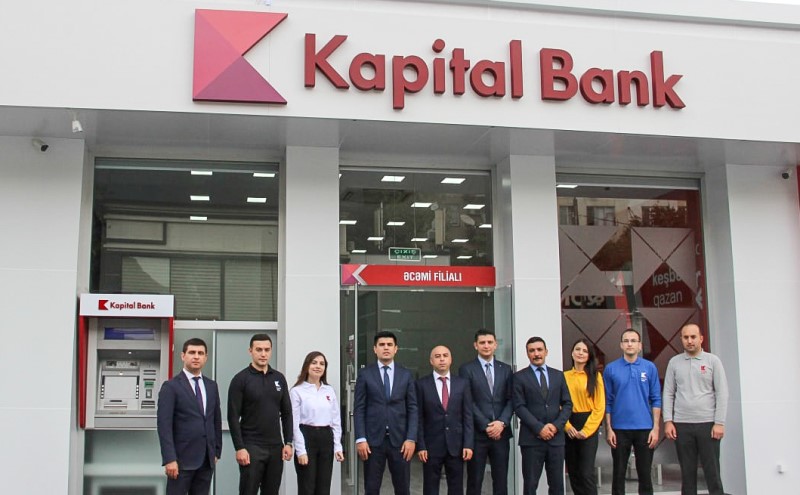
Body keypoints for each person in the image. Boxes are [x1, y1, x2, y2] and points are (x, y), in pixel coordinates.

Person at [663, 323, 729, 495]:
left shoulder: (713, 361)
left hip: (708, 424)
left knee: (712, 472)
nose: (690, 341)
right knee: (687, 473)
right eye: (686, 337)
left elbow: (722, 392)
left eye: (693, 337)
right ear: (681, 339)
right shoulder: (674, 362)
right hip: (682, 425)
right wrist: (668, 421)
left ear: (701, 338)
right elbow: (668, 393)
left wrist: (719, 422)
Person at [353, 331, 418, 495]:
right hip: (373, 442)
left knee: (403, 489)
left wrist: (411, 438)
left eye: (390, 345)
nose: (386, 348)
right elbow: (359, 408)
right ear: (375, 349)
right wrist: (360, 438)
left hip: (401, 441)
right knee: (371, 488)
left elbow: (413, 408)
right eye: (382, 345)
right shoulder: (365, 374)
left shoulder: (406, 375)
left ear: (396, 349)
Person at [228, 334, 293, 495]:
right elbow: (233, 416)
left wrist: (288, 442)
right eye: (259, 350)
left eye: (267, 350)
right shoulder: (240, 379)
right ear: (250, 351)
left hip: (276, 448)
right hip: (251, 447)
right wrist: (240, 447)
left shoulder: (279, 378)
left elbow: (287, 413)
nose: (263, 354)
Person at [157, 338, 222, 495]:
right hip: (180, 461)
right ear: (183, 356)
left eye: (200, 353)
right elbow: (164, 426)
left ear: (206, 357)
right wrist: (169, 458)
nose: (196, 356)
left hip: (206, 460)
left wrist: (216, 451)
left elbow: (215, 420)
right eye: (192, 352)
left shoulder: (211, 386)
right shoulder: (171, 387)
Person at [603, 328, 662, 495]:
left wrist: (656, 428)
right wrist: (609, 428)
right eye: (626, 341)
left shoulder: (649, 367)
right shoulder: (611, 369)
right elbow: (607, 401)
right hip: (619, 429)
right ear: (621, 345)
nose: (630, 344)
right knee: (618, 474)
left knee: (645, 475)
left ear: (640, 345)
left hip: (645, 428)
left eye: (633, 341)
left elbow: (656, 399)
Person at [513, 336, 573, 495]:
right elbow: (519, 407)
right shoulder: (519, 377)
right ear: (527, 353)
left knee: (557, 485)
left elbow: (567, 404)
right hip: (531, 440)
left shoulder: (558, 375)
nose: (536, 354)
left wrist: (555, 426)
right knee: (530, 485)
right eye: (532, 351)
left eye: (539, 350)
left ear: (546, 352)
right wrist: (539, 428)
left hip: (556, 439)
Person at [458, 328, 513, 495]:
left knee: (501, 480)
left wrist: (501, 423)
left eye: (490, 342)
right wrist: (486, 425)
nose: (486, 345)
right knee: (475, 480)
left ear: (495, 345)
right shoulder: (466, 369)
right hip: (478, 434)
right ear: (475, 345)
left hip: (501, 433)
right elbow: (468, 401)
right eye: (482, 342)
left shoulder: (506, 369)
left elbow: (511, 399)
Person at [417, 345, 475, 495]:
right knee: (430, 488)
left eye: (445, 355)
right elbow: (419, 418)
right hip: (431, 446)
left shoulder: (462, 383)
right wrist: (421, 445)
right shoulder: (421, 385)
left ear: (451, 359)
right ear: (431, 361)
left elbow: (468, 416)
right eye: (437, 356)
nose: (442, 359)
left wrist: (468, 444)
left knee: (456, 488)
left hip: (456, 445)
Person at [290, 351, 345, 495]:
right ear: (307, 366)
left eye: (322, 364)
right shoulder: (297, 391)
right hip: (306, 437)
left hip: (326, 438)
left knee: (323, 487)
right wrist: (301, 450)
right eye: (314, 363)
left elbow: (336, 421)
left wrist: (338, 446)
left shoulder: (329, 390)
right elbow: (294, 424)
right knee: (307, 487)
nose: (318, 366)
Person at [564, 338, 606, 495]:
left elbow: (599, 407)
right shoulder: (564, 376)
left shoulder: (596, 377)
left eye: (585, 351)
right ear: (572, 353)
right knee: (573, 472)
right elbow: (559, 404)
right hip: (569, 424)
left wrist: (587, 430)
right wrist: (567, 426)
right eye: (577, 349)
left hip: (588, 425)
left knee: (586, 473)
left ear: (589, 356)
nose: (580, 353)